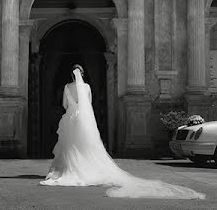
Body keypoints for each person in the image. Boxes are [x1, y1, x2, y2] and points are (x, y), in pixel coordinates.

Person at [40, 65, 205, 200]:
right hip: (83, 119)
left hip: (70, 118)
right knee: (85, 146)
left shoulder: (67, 87)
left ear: (71, 75)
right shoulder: (87, 87)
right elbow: (88, 105)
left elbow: (64, 104)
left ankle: (69, 169)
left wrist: (72, 110)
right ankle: (85, 169)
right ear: (82, 74)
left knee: (70, 145)